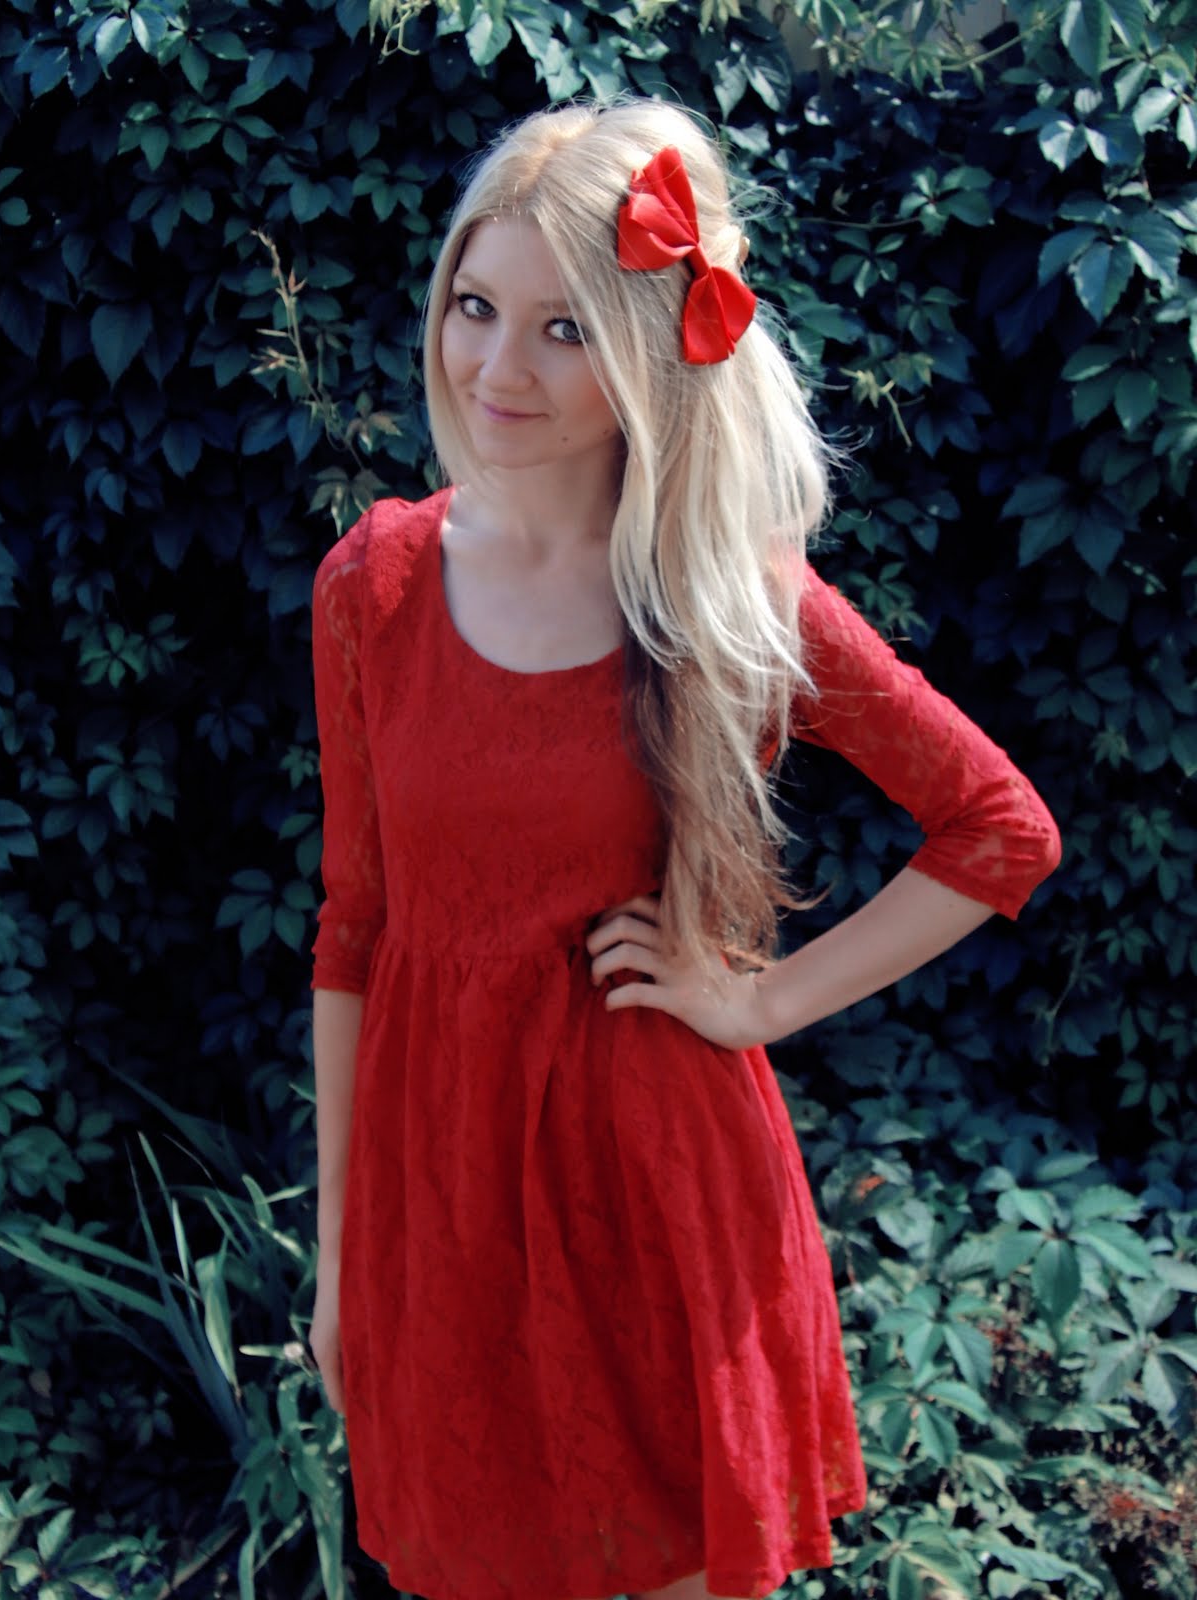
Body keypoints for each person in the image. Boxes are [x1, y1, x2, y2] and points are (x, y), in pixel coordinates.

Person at [307, 98, 1061, 1600]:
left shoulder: (727, 597)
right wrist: (343, 1255)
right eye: (474, 306)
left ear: (655, 347)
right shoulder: (374, 585)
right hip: (445, 1204)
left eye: (565, 329)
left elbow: (1000, 827)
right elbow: (356, 928)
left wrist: (764, 1000)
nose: (496, 368)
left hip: (658, 1199)